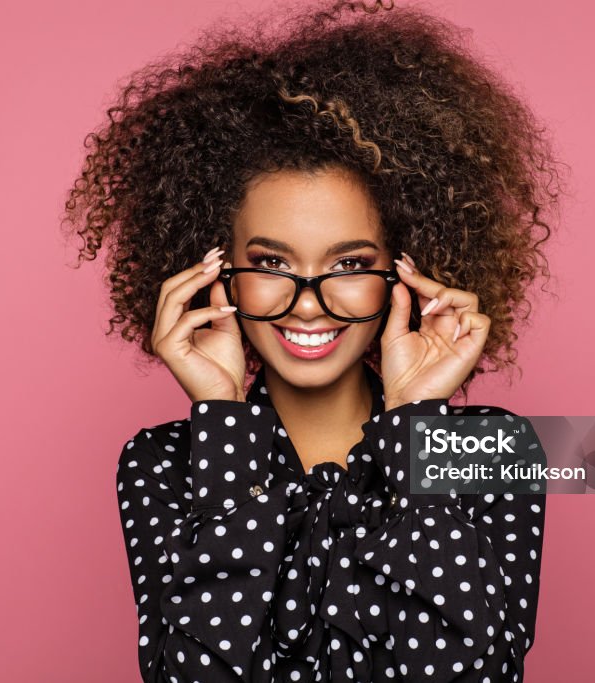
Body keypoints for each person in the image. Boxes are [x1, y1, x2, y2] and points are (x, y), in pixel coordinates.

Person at [62, 2, 563, 680]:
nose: (307, 301)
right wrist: (221, 420)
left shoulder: (492, 453)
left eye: (351, 265)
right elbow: (191, 673)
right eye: (270, 263)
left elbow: (470, 671)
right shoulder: (164, 465)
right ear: (216, 270)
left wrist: (419, 423)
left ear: (402, 272)